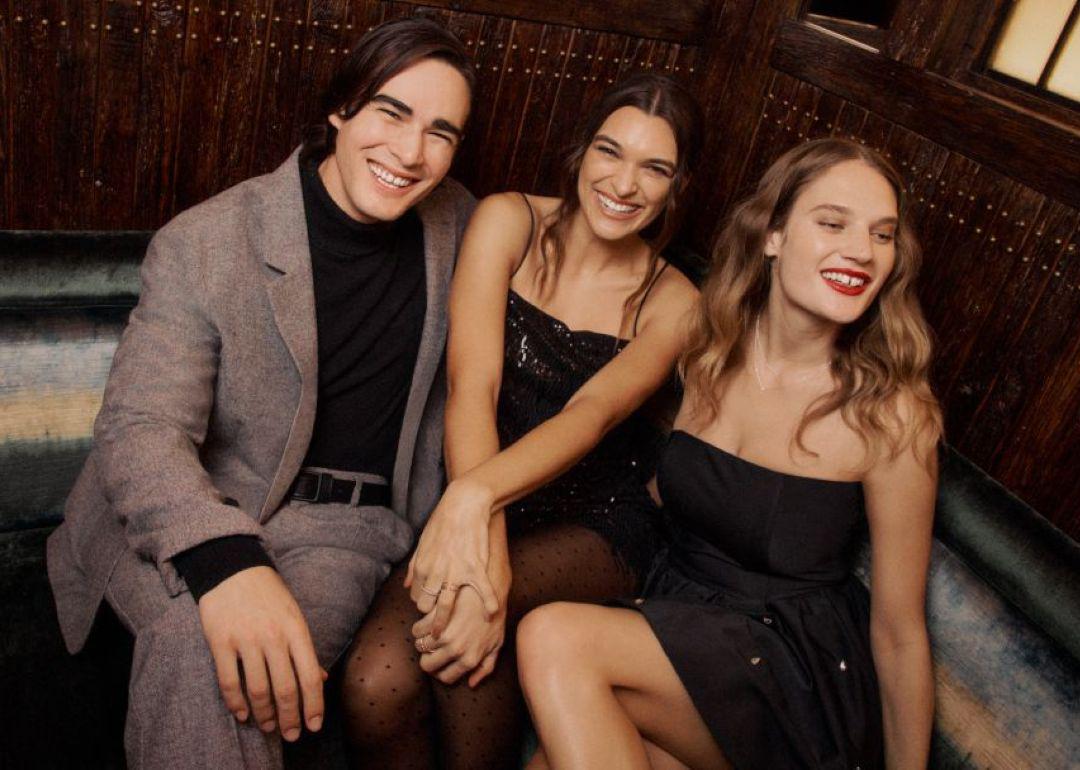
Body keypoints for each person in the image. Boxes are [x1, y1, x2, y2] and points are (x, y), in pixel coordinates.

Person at [46, 18, 476, 769]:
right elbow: (141, 424)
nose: (411, 153)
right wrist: (226, 559)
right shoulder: (208, 240)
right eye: (391, 112)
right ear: (340, 108)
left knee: (235, 663)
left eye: (441, 132)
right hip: (189, 497)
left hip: (343, 529)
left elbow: (586, 229)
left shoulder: (464, 227)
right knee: (205, 640)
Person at [517, 137, 943, 770]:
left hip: (791, 673)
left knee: (552, 635)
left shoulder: (891, 414)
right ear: (773, 235)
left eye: (883, 235)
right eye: (833, 223)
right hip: (682, 631)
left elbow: (900, 632)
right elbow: (615, 443)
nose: (862, 250)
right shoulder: (708, 354)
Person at [341, 73, 704, 769]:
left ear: (677, 185)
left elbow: (591, 416)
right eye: (610, 152)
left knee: (470, 637)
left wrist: (474, 509)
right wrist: (481, 522)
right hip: (479, 479)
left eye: (654, 168)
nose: (624, 184)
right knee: (373, 685)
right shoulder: (508, 219)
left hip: (596, 521)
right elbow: (471, 385)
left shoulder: (676, 303)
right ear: (581, 151)